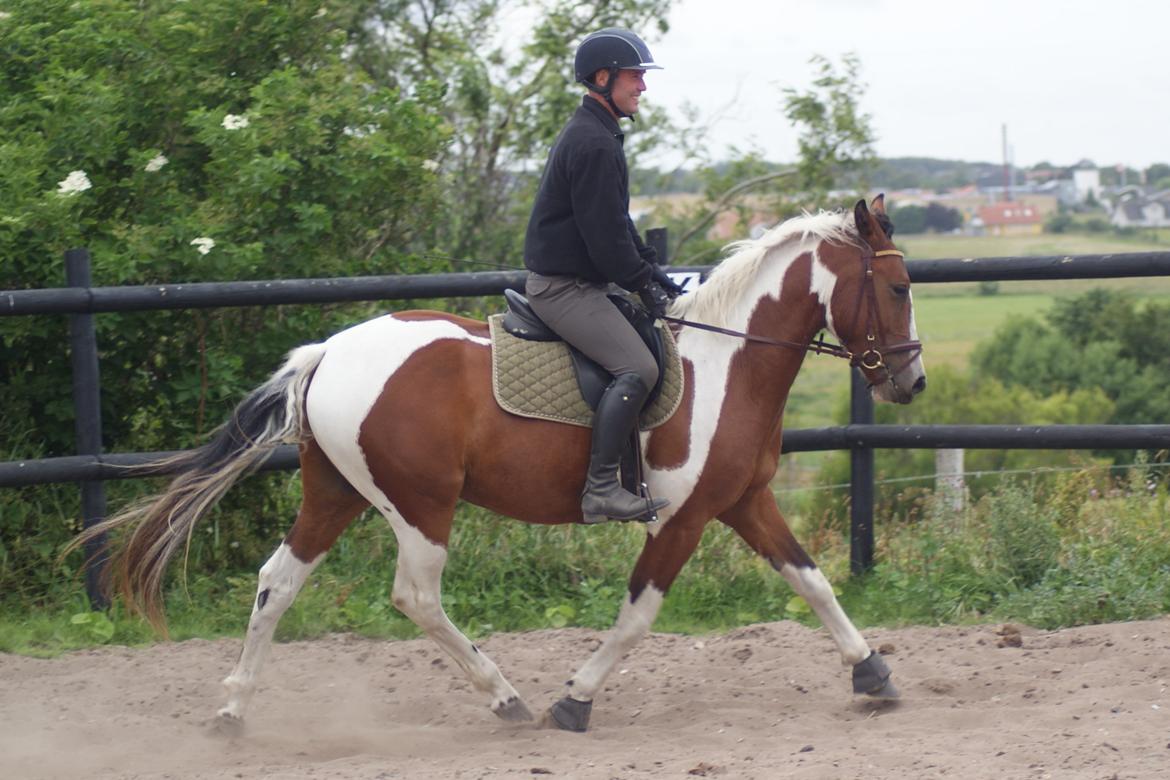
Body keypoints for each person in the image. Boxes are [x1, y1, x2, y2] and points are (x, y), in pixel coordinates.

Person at [523, 27, 684, 524]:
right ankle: (600, 490)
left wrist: (649, 271)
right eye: (635, 76)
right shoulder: (594, 143)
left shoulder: (598, 133)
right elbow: (604, 241)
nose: (642, 86)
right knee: (641, 369)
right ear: (603, 77)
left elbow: (616, 222)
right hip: (564, 290)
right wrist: (640, 280)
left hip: (582, 284)